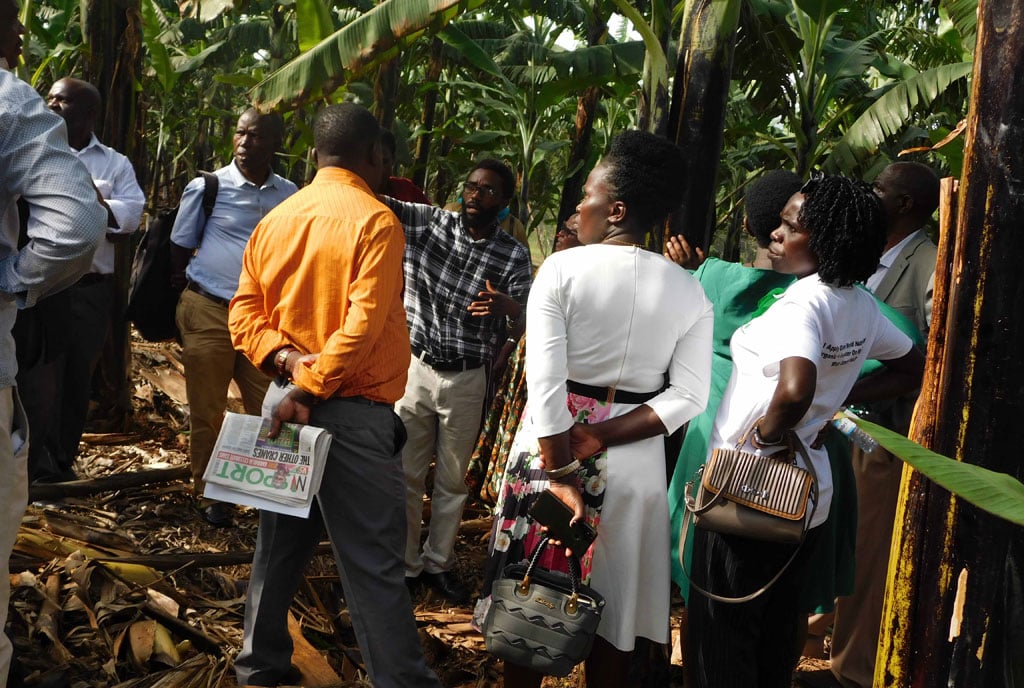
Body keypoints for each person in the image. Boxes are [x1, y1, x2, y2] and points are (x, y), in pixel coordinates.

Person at [479, 130, 714, 687]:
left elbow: (546, 382)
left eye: (587, 194)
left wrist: (562, 472)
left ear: (617, 209)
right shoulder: (689, 291)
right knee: (619, 609)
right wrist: (605, 437)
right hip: (635, 462)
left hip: (548, 451)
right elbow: (689, 396)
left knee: (527, 596)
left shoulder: (561, 271)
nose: (577, 207)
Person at [228, 101, 442, 688]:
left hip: (287, 408)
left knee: (278, 551)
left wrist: (287, 363)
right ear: (374, 155)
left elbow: (243, 313)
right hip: (349, 414)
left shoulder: (277, 217)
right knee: (373, 565)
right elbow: (363, 323)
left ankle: (259, 667)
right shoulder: (376, 221)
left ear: (316, 154)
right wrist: (309, 381)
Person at [685, 175, 925, 688]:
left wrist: (764, 438)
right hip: (807, 495)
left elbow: (795, 388)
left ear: (825, 241)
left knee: (721, 640)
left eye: (790, 227)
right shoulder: (857, 302)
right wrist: (828, 406)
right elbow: (911, 367)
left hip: (745, 490)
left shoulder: (803, 304)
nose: (776, 233)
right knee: (775, 631)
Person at [0, 3, 107, 678]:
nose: (18, 34)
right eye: (10, 18)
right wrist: (13, 281)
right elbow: (74, 224)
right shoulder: (9, 103)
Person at [381, 159, 533, 604]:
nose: (474, 196)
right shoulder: (430, 223)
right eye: (470, 186)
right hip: (417, 369)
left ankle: (438, 563)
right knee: (407, 473)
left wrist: (509, 309)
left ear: (503, 202)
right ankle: (407, 564)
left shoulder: (512, 253)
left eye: (487, 191)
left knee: (451, 481)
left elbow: (530, 320)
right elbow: (376, 200)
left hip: (468, 377)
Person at [826, 162, 940, 688]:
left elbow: (935, 351)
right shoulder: (865, 251)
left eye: (879, 188)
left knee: (868, 547)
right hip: (834, 422)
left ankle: (851, 667)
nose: (870, 194)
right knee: (832, 533)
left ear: (905, 205)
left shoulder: (927, 262)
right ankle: (816, 633)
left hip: (882, 432)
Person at [170, 108, 297, 527]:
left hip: (262, 320)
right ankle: (209, 492)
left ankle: (265, 491)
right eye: (240, 133)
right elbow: (179, 247)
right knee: (207, 409)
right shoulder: (208, 186)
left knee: (270, 405)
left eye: (256, 136)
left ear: (276, 143)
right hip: (209, 307)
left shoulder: (290, 194)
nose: (244, 142)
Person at [44, 77, 145, 477]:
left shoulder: (115, 164)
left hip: (88, 292)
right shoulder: (31, 153)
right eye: (49, 97)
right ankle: (31, 462)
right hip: (40, 289)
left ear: (88, 114)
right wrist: (96, 208)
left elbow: (129, 219)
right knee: (36, 376)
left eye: (61, 101)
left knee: (75, 381)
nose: (51, 105)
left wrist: (86, 198)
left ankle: (60, 464)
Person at [467, 213, 582, 504]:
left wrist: (514, 309)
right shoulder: (550, 267)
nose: (559, 236)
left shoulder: (578, 277)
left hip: (548, 363)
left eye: (567, 231)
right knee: (508, 419)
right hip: (526, 356)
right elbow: (525, 323)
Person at [379, 129, 431, 203]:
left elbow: (431, 212)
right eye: (372, 161)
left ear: (393, 160)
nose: (380, 169)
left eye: (385, 162)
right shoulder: (358, 193)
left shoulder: (405, 189)